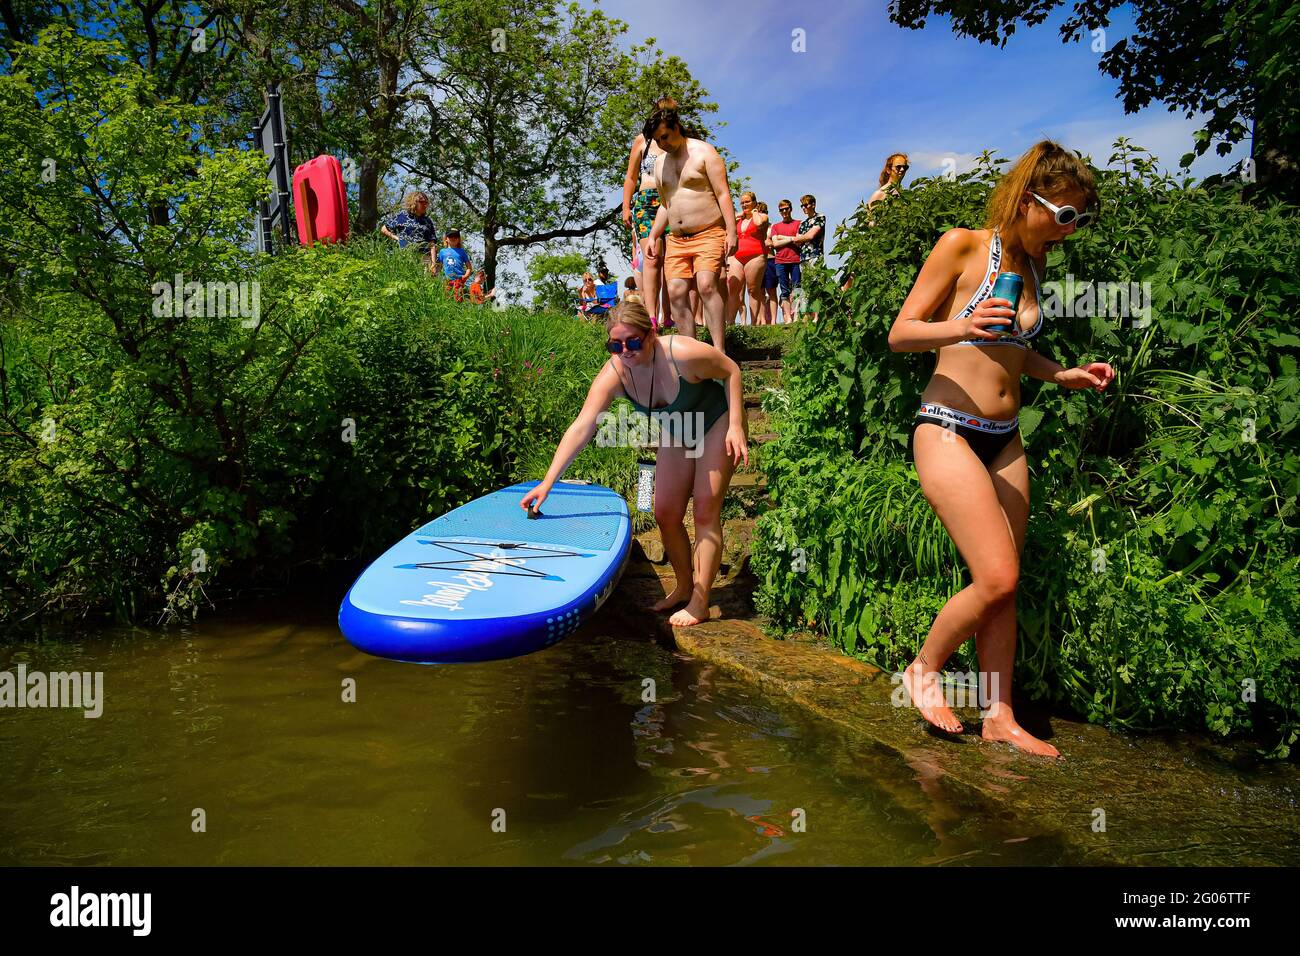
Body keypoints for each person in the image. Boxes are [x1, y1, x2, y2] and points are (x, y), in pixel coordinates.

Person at [888, 140, 1114, 758]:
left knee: (1005, 587)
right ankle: (923, 670)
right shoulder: (963, 245)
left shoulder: (1036, 270)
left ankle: (999, 713)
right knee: (998, 575)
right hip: (947, 427)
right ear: (1026, 199)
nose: (1069, 230)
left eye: (1080, 219)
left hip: (1005, 438)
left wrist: (1060, 374)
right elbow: (902, 332)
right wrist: (961, 324)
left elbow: (1013, 352)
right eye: (1064, 215)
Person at [520, 297, 748, 627]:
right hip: (678, 429)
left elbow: (731, 370)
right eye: (616, 345)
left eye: (633, 342)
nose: (625, 351)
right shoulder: (615, 373)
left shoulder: (683, 354)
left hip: (715, 422)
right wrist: (548, 481)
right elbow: (584, 425)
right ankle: (683, 587)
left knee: (704, 508)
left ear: (651, 335)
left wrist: (737, 424)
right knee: (665, 512)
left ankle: (700, 600)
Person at [644, 104, 737, 351]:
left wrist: (732, 231)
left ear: (677, 127)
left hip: (709, 232)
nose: (662, 143)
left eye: (665, 136)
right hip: (676, 239)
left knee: (707, 284)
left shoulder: (705, 152)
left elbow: (723, 194)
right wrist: (654, 235)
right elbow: (667, 204)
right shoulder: (660, 164)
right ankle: (692, 354)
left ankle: (719, 351)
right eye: (657, 140)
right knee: (675, 291)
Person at [622, 97, 677, 331]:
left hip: (672, 201)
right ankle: (652, 316)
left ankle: (670, 315)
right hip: (645, 202)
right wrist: (626, 206)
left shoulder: (677, 141)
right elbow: (631, 176)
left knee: (671, 261)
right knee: (652, 258)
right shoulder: (642, 142)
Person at [725, 191, 768, 326]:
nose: (744, 205)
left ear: (754, 202)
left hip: (756, 256)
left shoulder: (762, 216)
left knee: (752, 290)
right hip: (738, 256)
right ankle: (730, 322)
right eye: (742, 203)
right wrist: (737, 217)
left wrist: (754, 212)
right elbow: (727, 229)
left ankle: (754, 324)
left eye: (747, 201)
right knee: (733, 289)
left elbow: (759, 224)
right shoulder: (739, 219)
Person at [380, 191, 438, 263]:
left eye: (426, 203)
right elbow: (384, 229)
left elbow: (432, 243)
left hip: (424, 257)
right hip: (406, 255)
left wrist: (433, 263)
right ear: (414, 202)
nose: (425, 205)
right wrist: (398, 238)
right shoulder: (402, 216)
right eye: (422, 202)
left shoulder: (427, 221)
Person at [767, 199, 800, 323]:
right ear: (779, 212)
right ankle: (788, 317)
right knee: (784, 289)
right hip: (780, 261)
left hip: (795, 259)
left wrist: (784, 238)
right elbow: (775, 243)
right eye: (782, 210)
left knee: (797, 288)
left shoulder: (798, 223)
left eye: (786, 209)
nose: (784, 211)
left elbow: (799, 241)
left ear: (791, 209)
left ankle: (797, 315)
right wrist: (792, 239)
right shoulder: (776, 226)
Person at [756, 202, 779, 325]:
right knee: (759, 292)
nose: (763, 214)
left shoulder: (772, 227)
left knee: (772, 291)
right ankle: (763, 320)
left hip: (770, 259)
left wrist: (769, 242)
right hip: (758, 260)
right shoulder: (754, 226)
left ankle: (774, 320)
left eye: (765, 212)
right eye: (760, 212)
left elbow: (773, 243)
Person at [436, 229, 472, 300]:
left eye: (455, 237)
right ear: (446, 239)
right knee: (447, 298)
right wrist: (436, 275)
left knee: (458, 299)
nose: (453, 238)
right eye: (450, 236)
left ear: (459, 239)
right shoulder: (442, 252)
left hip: (459, 279)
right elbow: (439, 266)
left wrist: (465, 276)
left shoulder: (462, 251)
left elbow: (469, 267)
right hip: (447, 280)